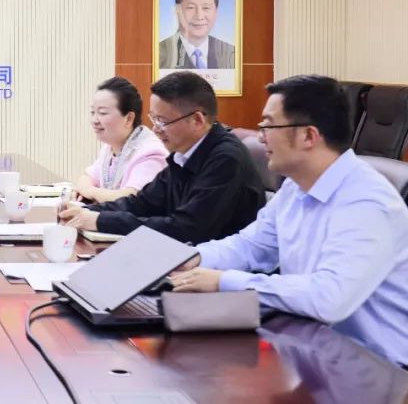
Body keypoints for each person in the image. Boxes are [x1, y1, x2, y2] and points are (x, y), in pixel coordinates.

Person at [170, 75, 407, 367]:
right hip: (317, 350)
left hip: (382, 369)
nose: (261, 137)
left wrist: (224, 280)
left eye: (269, 126)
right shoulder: (296, 187)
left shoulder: (366, 202)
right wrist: (190, 259)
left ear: (309, 136)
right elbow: (251, 246)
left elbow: (328, 298)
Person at [60, 71, 265, 243]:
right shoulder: (183, 154)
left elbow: (186, 228)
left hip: (217, 269)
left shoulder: (225, 159)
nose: (156, 129)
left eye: (162, 121)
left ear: (197, 120)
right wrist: (85, 210)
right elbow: (142, 203)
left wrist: (99, 220)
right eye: (153, 119)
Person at [73, 77, 168, 203]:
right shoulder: (111, 147)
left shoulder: (150, 152)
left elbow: (131, 198)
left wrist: (90, 192)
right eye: (92, 112)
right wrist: (85, 190)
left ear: (129, 119)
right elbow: (87, 177)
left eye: (102, 113)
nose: (94, 120)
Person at [158, 0, 236, 69]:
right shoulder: (158, 53)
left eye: (206, 8)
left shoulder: (232, 54)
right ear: (177, 11)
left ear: (216, 11)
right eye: (191, 7)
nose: (199, 16)